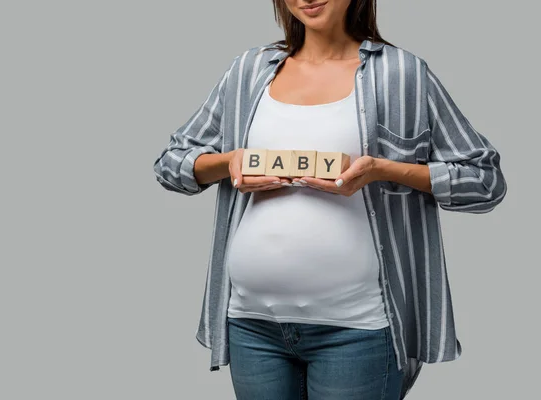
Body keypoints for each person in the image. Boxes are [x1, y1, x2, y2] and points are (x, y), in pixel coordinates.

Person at [153, 0, 507, 398]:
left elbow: (484, 181)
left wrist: (381, 170)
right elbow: (171, 165)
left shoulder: (402, 74)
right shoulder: (247, 72)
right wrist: (230, 163)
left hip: (358, 329)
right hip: (251, 325)